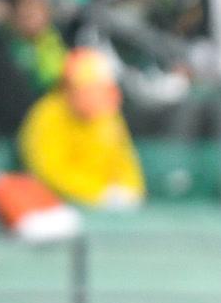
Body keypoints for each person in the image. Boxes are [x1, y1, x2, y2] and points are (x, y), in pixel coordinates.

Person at [17, 48, 144, 209]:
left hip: (108, 205)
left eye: (100, 89)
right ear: (70, 89)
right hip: (60, 205)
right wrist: (97, 193)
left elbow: (125, 162)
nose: (97, 96)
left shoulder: (108, 115)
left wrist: (130, 190)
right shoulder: (47, 116)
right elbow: (50, 172)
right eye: (89, 90)